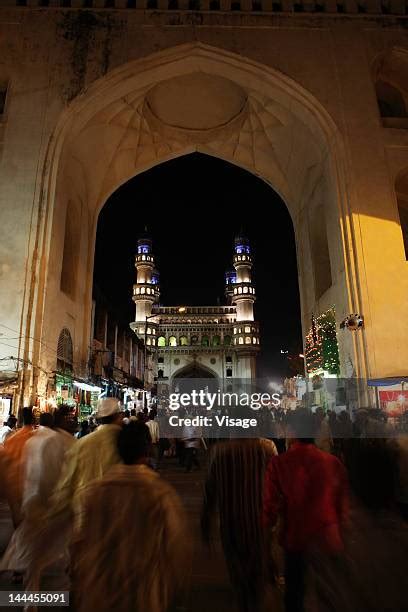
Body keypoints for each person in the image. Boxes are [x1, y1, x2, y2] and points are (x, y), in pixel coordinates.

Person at [70, 421, 191, 612]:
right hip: (143, 595)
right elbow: (176, 547)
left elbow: (81, 541)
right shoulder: (159, 493)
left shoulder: (96, 492)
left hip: (100, 593)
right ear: (147, 449)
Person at [263, 409, 349, 612]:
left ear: (291, 430)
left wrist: (264, 533)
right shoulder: (333, 463)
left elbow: (270, 506)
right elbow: (343, 507)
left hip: (295, 538)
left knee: (295, 595)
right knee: (329, 595)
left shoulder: (279, 463)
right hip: (329, 538)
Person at [202, 437, 278, 612]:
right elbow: (277, 482)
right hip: (259, 524)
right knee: (257, 575)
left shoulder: (218, 452)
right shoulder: (267, 448)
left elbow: (210, 490)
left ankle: (244, 601)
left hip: (230, 523)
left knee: (238, 574)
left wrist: (206, 520)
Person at [3, 408, 35, 527]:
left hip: (13, 484)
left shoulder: (12, 439)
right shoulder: (35, 437)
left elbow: (6, 462)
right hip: (28, 484)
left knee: (17, 520)